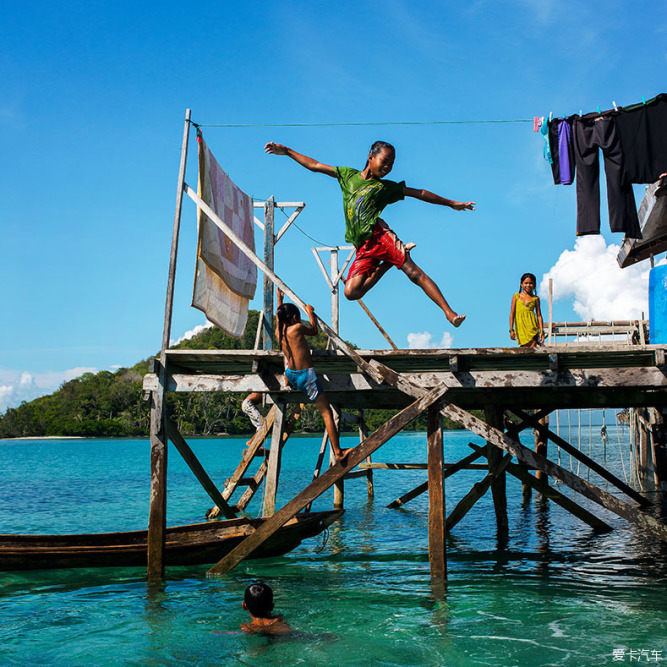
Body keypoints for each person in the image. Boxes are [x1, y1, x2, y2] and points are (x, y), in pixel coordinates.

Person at [265, 140, 475, 327]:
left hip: (379, 236)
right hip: (363, 246)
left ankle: (449, 313)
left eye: (391, 165)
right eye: (384, 161)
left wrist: (452, 204)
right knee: (351, 292)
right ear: (370, 157)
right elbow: (315, 166)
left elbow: (418, 193)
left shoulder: (385, 188)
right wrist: (287, 151)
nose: (387, 167)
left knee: (413, 273)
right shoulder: (348, 176)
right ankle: (388, 263)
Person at [275, 289, 352, 463]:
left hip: (292, 374)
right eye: (297, 316)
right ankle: (338, 452)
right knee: (327, 413)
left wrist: (279, 299)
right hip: (305, 377)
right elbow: (314, 331)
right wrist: (310, 313)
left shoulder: (279, 333)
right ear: (295, 318)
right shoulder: (297, 328)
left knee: (288, 365)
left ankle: (287, 380)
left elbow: (279, 318)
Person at [509, 273, 544, 348]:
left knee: (532, 347)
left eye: (531, 283)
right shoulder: (516, 297)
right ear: (521, 284)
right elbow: (512, 314)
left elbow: (539, 315)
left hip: (532, 326)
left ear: (534, 284)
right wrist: (511, 329)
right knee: (524, 347)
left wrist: (541, 330)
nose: (528, 285)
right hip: (520, 327)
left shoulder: (535, 299)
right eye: (526, 283)